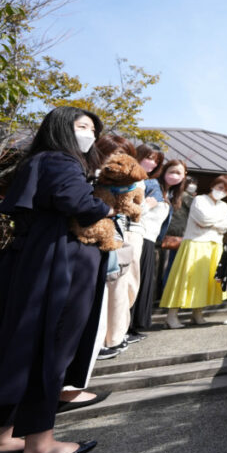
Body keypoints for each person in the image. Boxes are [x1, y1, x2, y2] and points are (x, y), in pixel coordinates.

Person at [0, 107, 113, 453]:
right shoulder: (62, 162)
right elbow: (79, 204)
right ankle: (41, 443)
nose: (89, 135)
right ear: (61, 127)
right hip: (61, 260)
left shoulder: (36, 161)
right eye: (82, 127)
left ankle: (6, 436)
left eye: (92, 130)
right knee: (54, 346)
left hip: (36, 257)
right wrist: (105, 208)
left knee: (27, 346)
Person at [159, 175, 227, 328]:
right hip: (195, 243)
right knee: (185, 280)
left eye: (226, 190)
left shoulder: (223, 206)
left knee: (205, 282)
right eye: (220, 187)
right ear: (213, 185)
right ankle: (171, 316)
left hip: (214, 245)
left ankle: (197, 314)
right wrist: (217, 224)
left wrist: (212, 224)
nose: (222, 191)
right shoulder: (199, 199)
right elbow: (202, 219)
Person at [94, 135, 144, 360]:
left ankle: (115, 336)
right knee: (104, 289)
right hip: (98, 233)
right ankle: (101, 341)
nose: (114, 161)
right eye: (111, 155)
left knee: (120, 287)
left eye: (121, 156)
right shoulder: (92, 175)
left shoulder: (133, 182)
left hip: (121, 234)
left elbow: (134, 207)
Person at [128, 143, 169, 337]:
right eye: (149, 158)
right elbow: (128, 209)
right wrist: (147, 205)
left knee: (142, 282)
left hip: (147, 237)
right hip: (131, 234)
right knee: (131, 283)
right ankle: (125, 327)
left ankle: (134, 325)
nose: (152, 164)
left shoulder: (151, 183)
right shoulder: (131, 178)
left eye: (156, 161)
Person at [155, 163, 191, 299]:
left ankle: (165, 297)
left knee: (171, 269)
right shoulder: (156, 188)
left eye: (179, 173)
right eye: (172, 172)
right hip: (155, 238)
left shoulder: (185, 196)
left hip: (176, 239)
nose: (175, 176)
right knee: (156, 269)